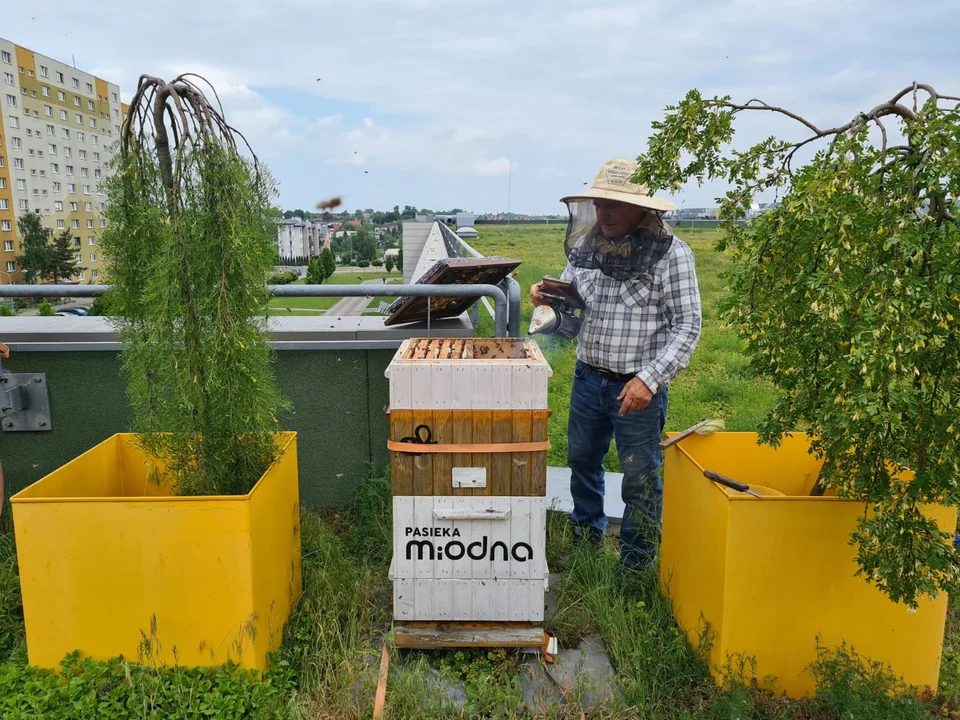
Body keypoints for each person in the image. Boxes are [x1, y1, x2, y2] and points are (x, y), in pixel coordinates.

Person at [531, 158, 702, 569]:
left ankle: (637, 565)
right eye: (598, 205)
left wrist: (649, 380)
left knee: (640, 478)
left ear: (641, 210)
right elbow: (570, 317)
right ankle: (584, 545)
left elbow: (688, 325)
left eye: (614, 206)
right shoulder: (587, 248)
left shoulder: (672, 255)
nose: (602, 214)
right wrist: (548, 301)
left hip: (636, 390)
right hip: (588, 378)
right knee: (582, 463)